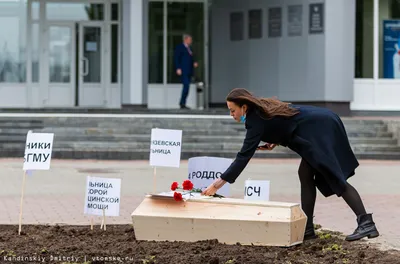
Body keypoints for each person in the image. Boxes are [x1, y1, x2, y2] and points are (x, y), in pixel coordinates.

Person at [202, 88, 379, 242]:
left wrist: (217, 184)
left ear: (244, 107)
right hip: (321, 123)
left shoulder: (254, 120)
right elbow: (282, 121)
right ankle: (307, 228)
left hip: (319, 129)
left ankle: (366, 223)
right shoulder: (259, 110)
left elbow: (243, 157)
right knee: (305, 174)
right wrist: (275, 141)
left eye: (233, 111)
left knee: (334, 177)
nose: (231, 115)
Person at [174, 34, 198, 109]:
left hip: (189, 71)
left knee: (187, 87)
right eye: (189, 39)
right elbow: (176, 58)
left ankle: (183, 102)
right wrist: (178, 68)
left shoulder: (190, 48)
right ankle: (182, 103)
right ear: (185, 39)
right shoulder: (180, 47)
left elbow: (191, 58)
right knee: (186, 86)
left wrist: (194, 62)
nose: (191, 41)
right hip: (183, 70)